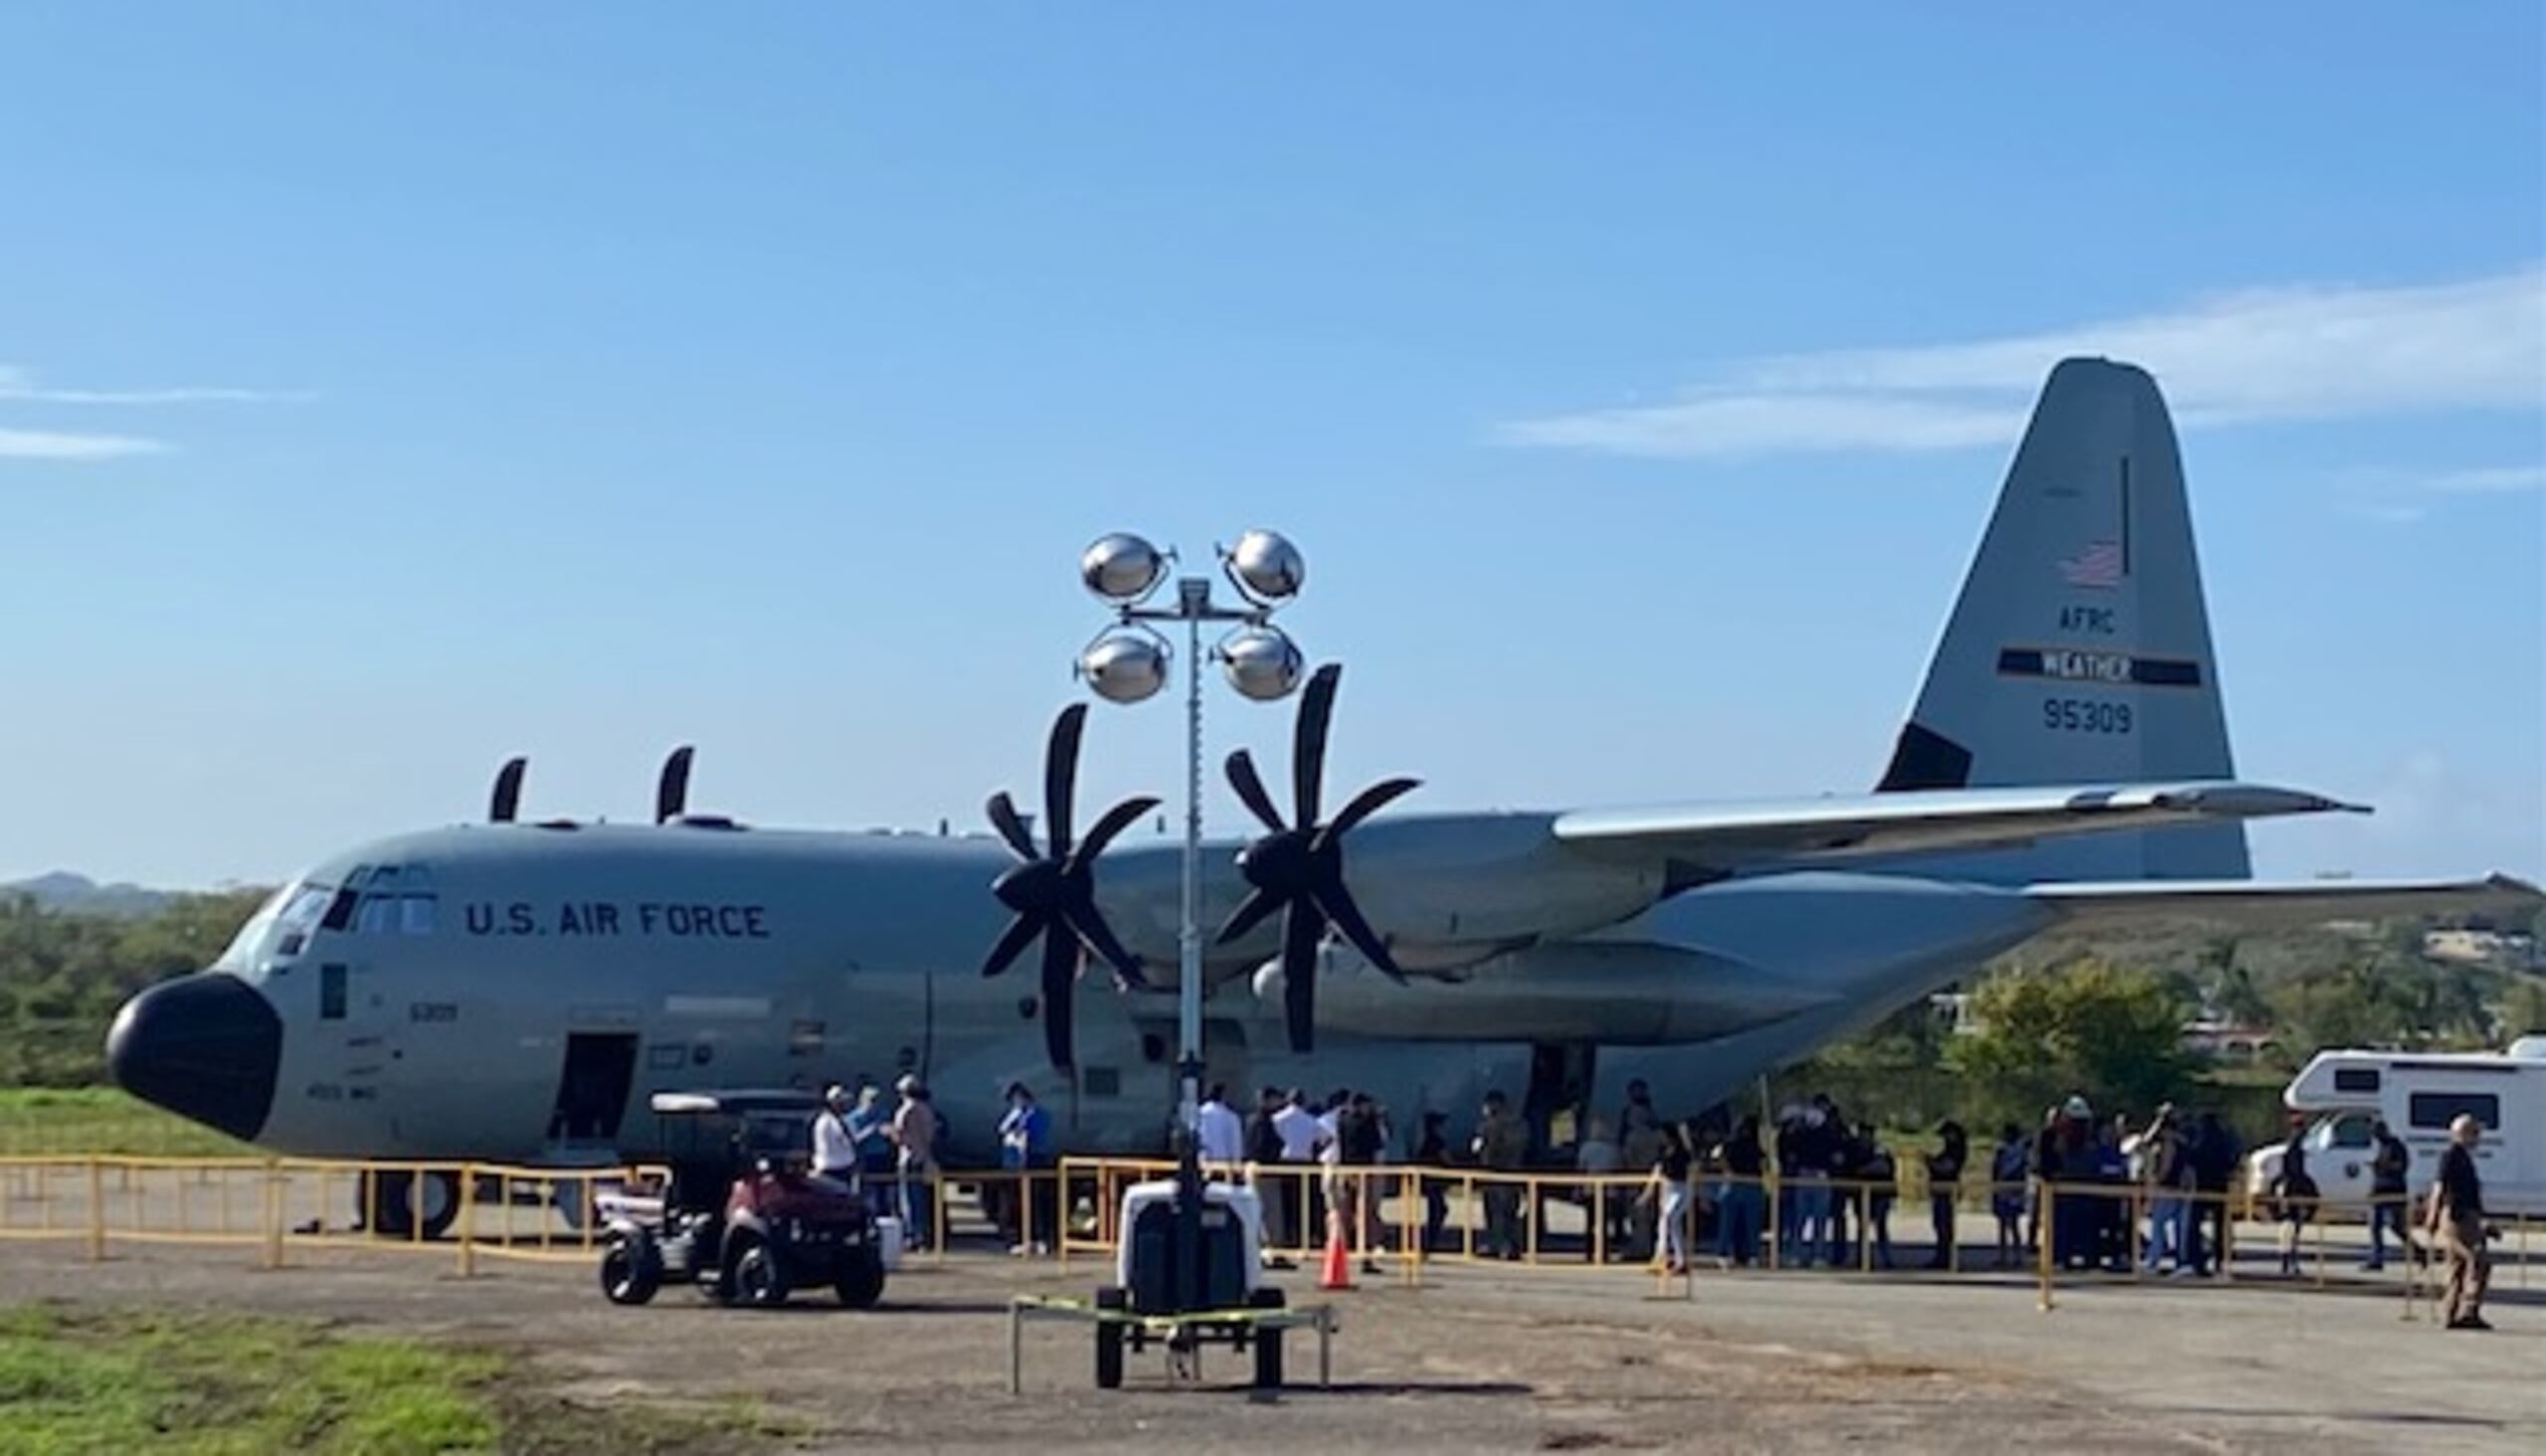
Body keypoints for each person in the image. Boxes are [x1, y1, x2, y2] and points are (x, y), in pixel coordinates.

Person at [2427, 1113, 2492, 1330]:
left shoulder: (2464, 1157)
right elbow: (2439, 1187)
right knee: (2478, 1261)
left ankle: (2452, 1313)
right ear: (2461, 1133)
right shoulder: (2451, 1155)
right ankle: (2469, 1310)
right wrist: (2432, 1217)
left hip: (2468, 1217)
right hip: (2457, 1217)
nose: (2478, 1137)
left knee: (2458, 1266)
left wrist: (2483, 1221)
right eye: (2474, 1133)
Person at [997, 1082, 1053, 1254]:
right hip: (1016, 1163)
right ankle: (1021, 1238)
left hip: (1032, 1160)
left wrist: (1018, 1131)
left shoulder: (1035, 1114)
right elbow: (1003, 1129)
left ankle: (1038, 1238)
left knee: (1035, 1201)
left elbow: (1032, 1133)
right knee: (1017, 1203)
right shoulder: (1016, 1114)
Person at [2137, 1105, 2193, 1276]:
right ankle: (2181, 1261)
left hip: (2168, 1187)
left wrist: (2157, 1181)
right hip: (2182, 1188)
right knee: (2178, 1228)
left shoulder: (2168, 1141)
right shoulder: (2184, 1139)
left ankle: (2154, 1260)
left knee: (2159, 1226)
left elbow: (2148, 1146)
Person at [1473, 1090, 1529, 1260]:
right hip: (1513, 1175)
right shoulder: (1520, 1125)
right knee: (1510, 1212)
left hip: (1494, 1175)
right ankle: (1513, 1246)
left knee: (1495, 1213)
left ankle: (1498, 1245)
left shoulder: (1489, 1126)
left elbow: (1484, 1151)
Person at [890, 1074, 940, 1251]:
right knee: (922, 1199)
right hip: (924, 1157)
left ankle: (912, 1236)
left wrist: (888, 1132)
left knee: (908, 1200)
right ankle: (924, 1235)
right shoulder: (927, 1110)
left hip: (909, 1158)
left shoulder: (905, 1110)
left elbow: (899, 1135)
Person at [2187, 1110, 2240, 1276]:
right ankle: (2219, 1261)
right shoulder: (2224, 1141)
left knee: (2194, 1226)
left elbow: (2192, 1159)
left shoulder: (2199, 1140)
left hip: (2201, 1187)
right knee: (2220, 1227)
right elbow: (2232, 1162)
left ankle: (2197, 1261)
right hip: (2219, 1188)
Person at [1245, 1086, 1294, 1262]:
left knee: (1259, 1211)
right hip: (1266, 1171)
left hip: (1254, 1168)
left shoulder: (1252, 1120)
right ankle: (1274, 1251)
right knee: (1272, 1212)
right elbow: (1266, 1145)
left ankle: (1263, 1250)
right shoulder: (1264, 1121)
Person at [1273, 1087, 1322, 1258]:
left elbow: (1274, 1136)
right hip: (1305, 1163)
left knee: (1286, 1202)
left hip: (1285, 1162)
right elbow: (1326, 1138)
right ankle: (1304, 1237)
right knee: (1304, 1203)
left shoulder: (1278, 1118)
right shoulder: (1310, 1120)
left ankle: (1288, 1235)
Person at [1715, 1114, 1766, 1266]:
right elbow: (1762, 1164)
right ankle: (1752, 1255)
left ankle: (1724, 1253)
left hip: (1733, 1182)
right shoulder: (1754, 1145)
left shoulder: (1730, 1142)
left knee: (1728, 1223)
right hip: (1750, 1184)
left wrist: (1727, 1170)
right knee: (1751, 1224)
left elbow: (1718, 1157)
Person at [2270, 1120, 2317, 1277]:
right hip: (2292, 1191)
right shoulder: (2294, 1148)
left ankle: (2288, 1261)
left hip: (2292, 1189)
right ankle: (2288, 1260)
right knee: (2291, 1227)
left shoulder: (2293, 1147)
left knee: (2291, 1227)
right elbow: (2293, 1171)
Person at [2364, 1118, 2411, 1272]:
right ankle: (2377, 1259)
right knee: (2375, 1225)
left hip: (2393, 1190)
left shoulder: (2395, 1146)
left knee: (2397, 1227)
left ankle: (2419, 1252)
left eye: (2376, 1132)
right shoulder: (2381, 1147)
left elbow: (2401, 1166)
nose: (2374, 1135)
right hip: (2379, 1191)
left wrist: (2382, 1166)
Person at [1650, 1122, 1695, 1275]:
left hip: (1680, 1189)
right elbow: (1658, 1170)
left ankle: (1670, 1257)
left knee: (1669, 1219)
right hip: (1668, 1190)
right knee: (1668, 1224)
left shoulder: (1681, 1151)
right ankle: (1670, 1258)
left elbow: (1691, 1162)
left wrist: (1685, 1136)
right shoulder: (1663, 1152)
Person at [1574, 1117, 1623, 1259]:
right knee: (1604, 1223)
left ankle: (1589, 1252)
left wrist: (1578, 1188)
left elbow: (1581, 1169)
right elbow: (1618, 1167)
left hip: (1590, 1189)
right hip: (1608, 1190)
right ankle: (1604, 1252)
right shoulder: (1612, 1149)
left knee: (1590, 1222)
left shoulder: (1586, 1148)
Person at [1926, 1121, 1967, 1270]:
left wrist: (1931, 1163)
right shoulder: (1949, 1149)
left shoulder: (1956, 1150)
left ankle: (1947, 1257)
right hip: (1939, 1190)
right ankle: (1941, 1255)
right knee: (1939, 1224)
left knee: (1945, 1225)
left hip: (1947, 1190)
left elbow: (1948, 1168)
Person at [1989, 1122, 2027, 1268]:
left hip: (2010, 1189)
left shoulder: (2013, 1151)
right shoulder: (2010, 1151)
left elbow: (1997, 1169)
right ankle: (2007, 1256)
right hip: (2008, 1189)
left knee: (2010, 1224)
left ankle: (2013, 1256)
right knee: (2005, 1224)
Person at [1414, 1110, 1452, 1252]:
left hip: (1429, 1182)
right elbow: (1446, 1158)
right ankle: (1430, 1241)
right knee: (1437, 1211)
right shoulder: (1436, 1141)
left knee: (1437, 1210)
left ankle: (1430, 1241)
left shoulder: (1426, 1141)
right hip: (1434, 1182)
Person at [812, 1084, 859, 1190]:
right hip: (836, 1168)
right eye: (843, 1102)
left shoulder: (824, 1120)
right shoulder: (832, 1121)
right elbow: (846, 1141)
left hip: (834, 1166)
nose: (847, 1105)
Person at [1196, 1083, 1245, 1169]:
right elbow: (1236, 1142)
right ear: (1224, 1096)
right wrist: (1237, 1163)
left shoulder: (1200, 1113)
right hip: (1225, 1163)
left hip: (1204, 1161)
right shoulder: (1231, 1116)